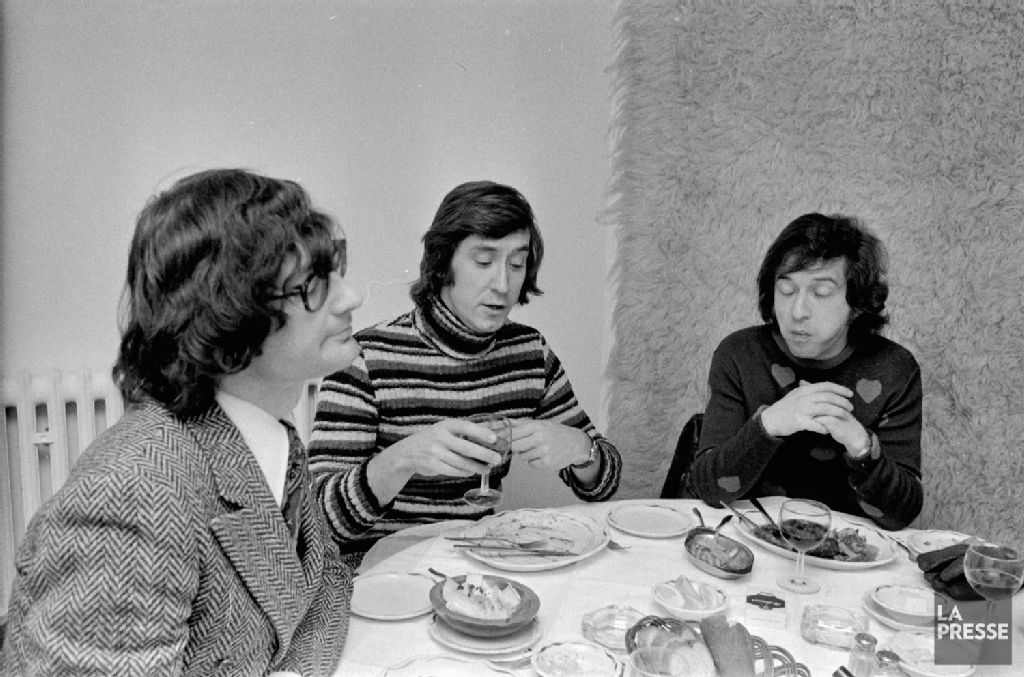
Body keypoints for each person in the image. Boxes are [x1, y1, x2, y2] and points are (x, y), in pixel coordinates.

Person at [0, 169, 362, 676]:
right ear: (227, 316)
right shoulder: (134, 493)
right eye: (313, 286)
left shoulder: (271, 437)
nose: (351, 298)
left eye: (336, 272)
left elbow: (323, 595)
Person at [309, 180, 621, 556]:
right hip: (375, 566)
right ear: (444, 264)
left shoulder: (530, 352)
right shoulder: (364, 359)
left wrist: (581, 449)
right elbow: (318, 522)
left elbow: (604, 484)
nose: (503, 284)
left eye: (517, 264)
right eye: (484, 262)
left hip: (475, 562)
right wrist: (403, 459)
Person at [688, 212, 922, 530]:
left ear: (856, 304)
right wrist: (770, 423)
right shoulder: (740, 354)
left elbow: (901, 515)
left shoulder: (894, 369)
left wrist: (861, 447)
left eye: (820, 293)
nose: (797, 312)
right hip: (744, 538)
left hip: (845, 550)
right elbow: (709, 487)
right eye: (786, 291)